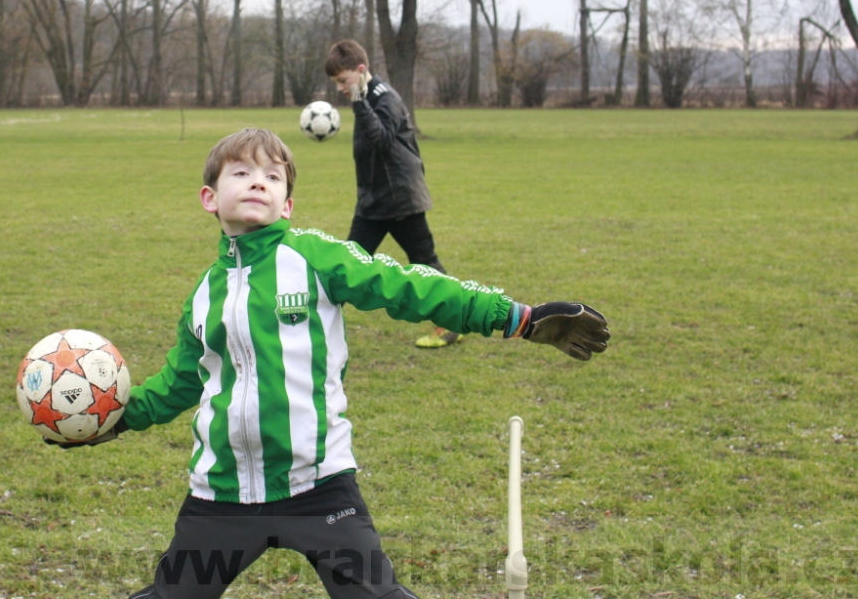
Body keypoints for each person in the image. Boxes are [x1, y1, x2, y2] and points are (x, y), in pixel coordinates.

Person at [99, 128, 608, 599]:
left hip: (318, 488)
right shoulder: (203, 295)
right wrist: (111, 419)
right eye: (241, 172)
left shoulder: (315, 258)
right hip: (221, 496)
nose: (258, 182)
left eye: (272, 176)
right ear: (209, 197)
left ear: (287, 204)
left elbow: (411, 288)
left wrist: (518, 318)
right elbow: (180, 381)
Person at [325, 39, 460, 350]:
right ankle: (314, 329)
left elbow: (382, 140)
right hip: (374, 201)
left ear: (361, 70)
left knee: (424, 263)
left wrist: (359, 103)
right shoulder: (367, 97)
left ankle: (453, 322)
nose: (341, 88)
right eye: (337, 83)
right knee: (347, 264)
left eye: (343, 80)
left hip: (399, 200)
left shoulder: (385, 98)